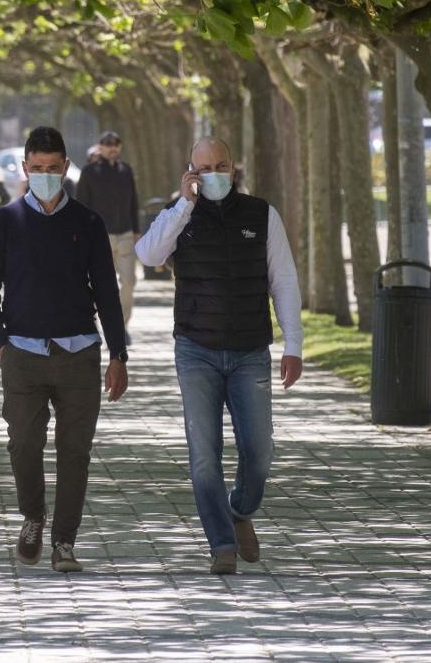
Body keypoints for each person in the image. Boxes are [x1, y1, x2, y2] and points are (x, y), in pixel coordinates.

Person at [135, 137, 303, 575]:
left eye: (221, 166)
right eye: (203, 167)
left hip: (250, 349)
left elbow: (283, 280)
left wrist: (294, 344)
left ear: (234, 167)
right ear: (189, 170)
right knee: (204, 455)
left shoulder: (261, 214)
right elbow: (148, 253)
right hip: (196, 349)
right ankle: (221, 544)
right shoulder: (180, 216)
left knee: (259, 448)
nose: (213, 174)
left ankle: (241, 508)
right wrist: (182, 205)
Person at [0, 126, 129, 573]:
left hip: (79, 352)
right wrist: (1, 345)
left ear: (65, 167)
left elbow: (106, 291)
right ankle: (32, 517)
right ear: (25, 169)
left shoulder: (88, 222)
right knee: (23, 444)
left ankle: (65, 540)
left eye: (52, 168)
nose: (45, 175)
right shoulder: (5, 221)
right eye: (36, 169)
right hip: (21, 353)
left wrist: (118, 353)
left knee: (75, 451)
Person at [76, 131, 140, 336]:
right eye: (107, 144)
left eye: (115, 143)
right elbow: (81, 206)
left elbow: (134, 202)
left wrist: (137, 230)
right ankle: (94, 324)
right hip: (99, 237)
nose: (112, 147)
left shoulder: (126, 170)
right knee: (98, 284)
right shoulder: (89, 172)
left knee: (129, 281)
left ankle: (121, 326)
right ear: (100, 147)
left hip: (125, 235)